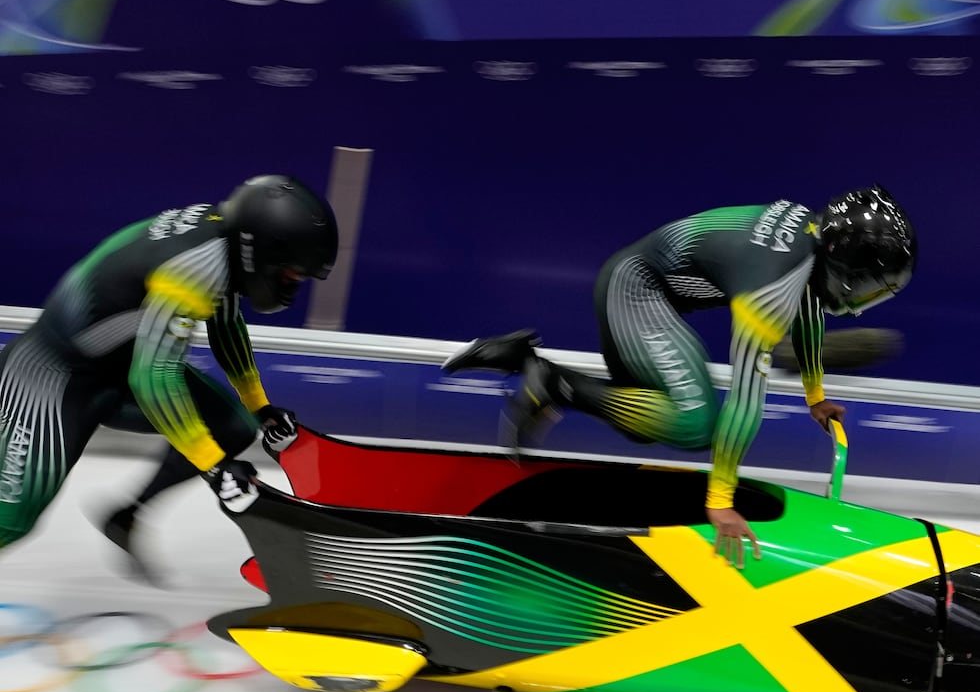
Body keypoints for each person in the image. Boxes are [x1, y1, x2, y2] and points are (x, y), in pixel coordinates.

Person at [444, 185, 917, 568]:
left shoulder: (810, 235)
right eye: (876, 286)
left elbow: (811, 306)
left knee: (654, 422)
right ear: (850, 267)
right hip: (637, 291)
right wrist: (720, 500)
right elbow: (747, 397)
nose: (868, 299)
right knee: (694, 423)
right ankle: (548, 381)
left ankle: (525, 362)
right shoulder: (771, 284)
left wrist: (815, 396)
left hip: (651, 292)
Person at [0, 173, 337, 584]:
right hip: (51, 375)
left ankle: (126, 516)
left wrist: (258, 406)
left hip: (115, 367)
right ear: (262, 251)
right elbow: (153, 379)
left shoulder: (224, 243)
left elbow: (226, 324)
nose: (292, 285)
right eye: (292, 275)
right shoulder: (194, 269)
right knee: (11, 520)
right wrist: (215, 469)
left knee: (230, 426)